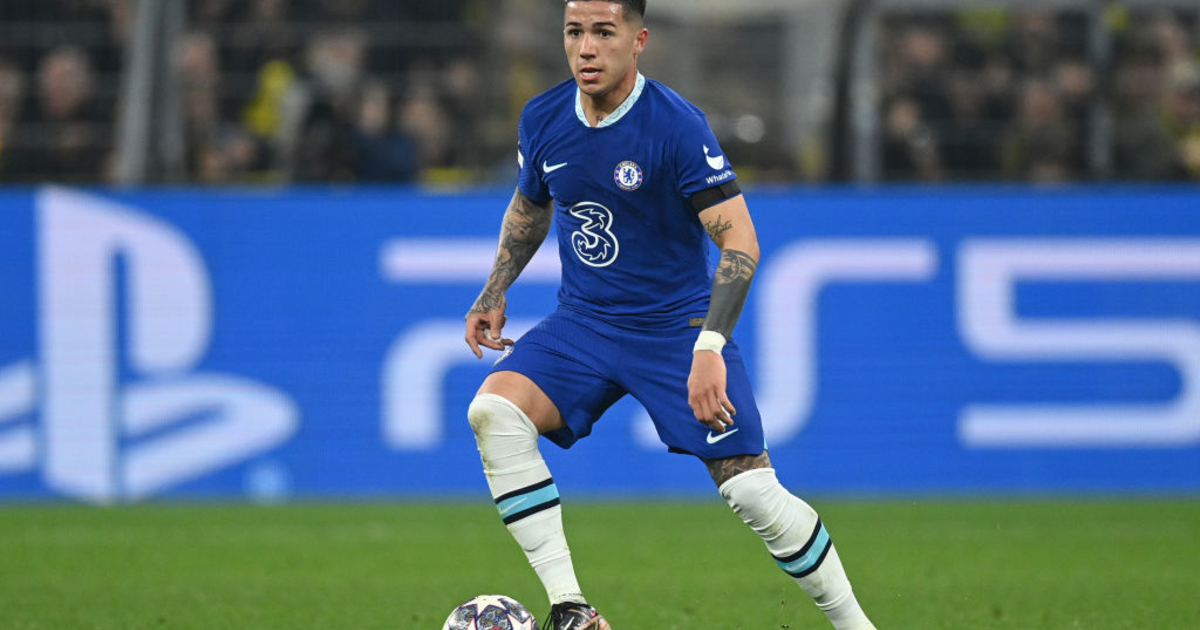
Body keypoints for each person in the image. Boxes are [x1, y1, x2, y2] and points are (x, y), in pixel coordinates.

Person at [463, 2, 877, 629]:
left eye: (604, 32)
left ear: (639, 40)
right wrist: (494, 290)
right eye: (575, 32)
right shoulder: (543, 117)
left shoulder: (676, 126)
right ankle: (572, 608)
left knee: (753, 492)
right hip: (584, 323)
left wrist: (708, 348)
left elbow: (740, 241)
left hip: (674, 330)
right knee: (494, 413)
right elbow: (530, 208)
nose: (587, 48)